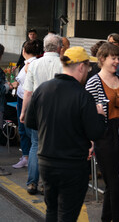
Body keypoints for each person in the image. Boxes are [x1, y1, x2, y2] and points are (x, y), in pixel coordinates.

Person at [25, 46, 106, 222]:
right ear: (81, 67)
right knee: (67, 215)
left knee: (51, 211)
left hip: (46, 162)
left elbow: (30, 123)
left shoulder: (43, 89)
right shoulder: (83, 96)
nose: (89, 71)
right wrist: (100, 116)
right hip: (72, 166)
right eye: (89, 67)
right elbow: (96, 132)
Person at [85, 42, 119, 222]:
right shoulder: (93, 82)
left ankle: (106, 218)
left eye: (118, 58)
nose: (117, 61)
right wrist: (90, 141)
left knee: (118, 183)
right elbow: (88, 116)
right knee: (114, 182)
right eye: (114, 58)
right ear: (102, 59)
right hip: (105, 136)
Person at [20, 33, 63, 195]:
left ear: (45, 47)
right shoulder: (63, 64)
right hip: (57, 112)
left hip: (37, 111)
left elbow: (28, 92)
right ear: (59, 47)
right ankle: (47, 184)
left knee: (35, 146)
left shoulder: (35, 65)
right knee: (53, 148)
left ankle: (32, 182)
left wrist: (23, 112)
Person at [11, 40, 39, 169]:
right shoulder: (27, 64)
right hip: (22, 98)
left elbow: (29, 87)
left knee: (26, 130)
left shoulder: (31, 65)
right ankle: (26, 156)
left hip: (27, 100)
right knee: (23, 130)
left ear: (23, 51)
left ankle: (28, 157)